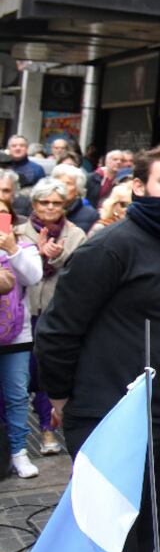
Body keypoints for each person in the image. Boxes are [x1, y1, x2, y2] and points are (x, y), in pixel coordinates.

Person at [34, 145, 160, 552]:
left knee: (143, 539)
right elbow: (58, 329)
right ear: (138, 186)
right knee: (109, 544)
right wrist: (61, 398)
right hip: (112, 416)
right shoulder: (110, 247)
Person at [22, 176, 88, 457]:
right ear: (34, 204)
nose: (50, 207)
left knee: (47, 374)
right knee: (22, 378)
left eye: (56, 203)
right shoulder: (19, 232)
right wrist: (36, 255)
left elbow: (80, 273)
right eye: (44, 202)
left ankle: (47, 429)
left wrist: (57, 257)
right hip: (22, 315)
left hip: (57, 314)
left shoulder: (76, 234)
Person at [1, 204, 42, 478]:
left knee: (17, 395)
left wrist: (12, 249)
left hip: (17, 335)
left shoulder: (25, 247)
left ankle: (19, 451)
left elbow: (33, 276)